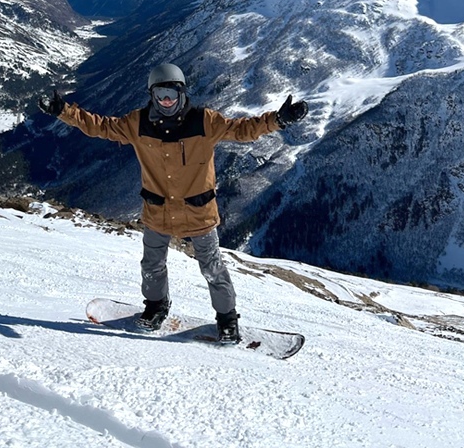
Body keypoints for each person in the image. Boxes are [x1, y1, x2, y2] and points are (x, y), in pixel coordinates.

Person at [37, 63, 307, 343]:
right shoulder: (137, 123)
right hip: (158, 212)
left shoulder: (204, 121)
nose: (167, 101)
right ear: (152, 95)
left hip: (198, 212)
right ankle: (156, 307)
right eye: (161, 94)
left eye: (172, 94)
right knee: (152, 265)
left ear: (182, 93)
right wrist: (63, 111)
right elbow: (101, 127)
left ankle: (227, 319)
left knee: (213, 268)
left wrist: (278, 120)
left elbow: (242, 130)